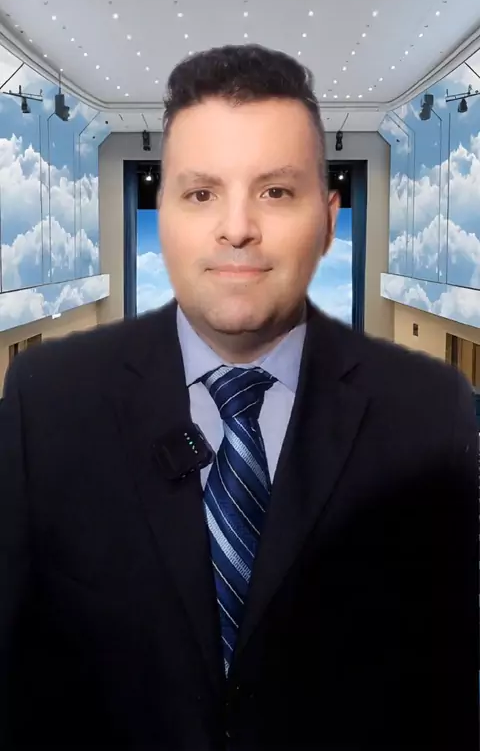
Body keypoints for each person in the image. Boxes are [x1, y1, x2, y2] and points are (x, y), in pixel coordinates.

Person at [0, 44, 478, 751]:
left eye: (276, 192)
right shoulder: (45, 404)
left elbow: (447, 691)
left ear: (329, 219)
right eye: (200, 194)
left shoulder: (429, 413)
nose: (236, 228)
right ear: (161, 214)